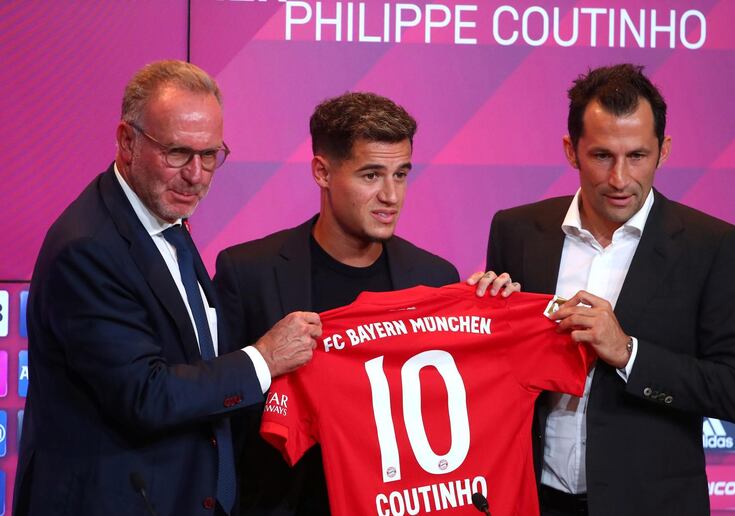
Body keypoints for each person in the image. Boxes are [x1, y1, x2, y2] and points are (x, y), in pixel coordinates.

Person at [14, 60, 320, 516]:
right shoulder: (88, 248)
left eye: (210, 154)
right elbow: (146, 395)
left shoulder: (161, 216)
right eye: (177, 153)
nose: (196, 175)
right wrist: (263, 359)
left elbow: (194, 353)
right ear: (126, 141)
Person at [214, 91, 516, 515]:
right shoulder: (249, 273)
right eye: (371, 175)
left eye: (401, 174)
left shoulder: (435, 278)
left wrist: (493, 314)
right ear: (322, 171)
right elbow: (221, 408)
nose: (391, 196)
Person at [485, 63, 735, 516]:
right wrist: (483, 317)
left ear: (664, 151)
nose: (620, 179)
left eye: (637, 156)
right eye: (602, 156)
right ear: (571, 151)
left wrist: (628, 353)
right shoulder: (516, 230)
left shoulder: (713, 246)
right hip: (529, 501)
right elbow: (495, 372)